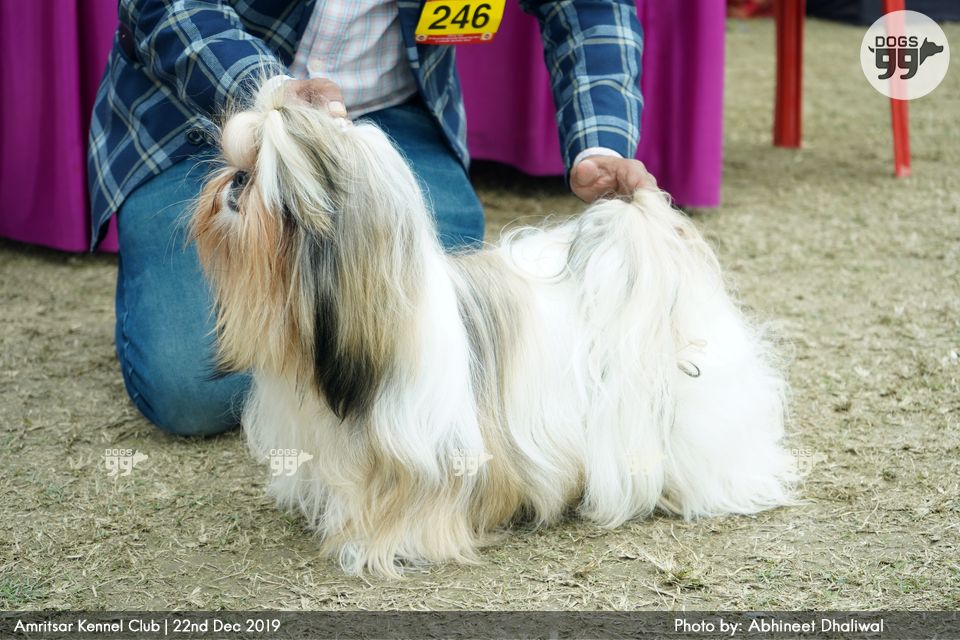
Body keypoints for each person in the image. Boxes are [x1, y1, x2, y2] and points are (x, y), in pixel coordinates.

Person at [88, 0, 654, 437]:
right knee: (196, 390)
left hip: (387, 120)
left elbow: (588, 7)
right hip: (206, 110)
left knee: (436, 332)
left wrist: (599, 144)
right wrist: (272, 93)